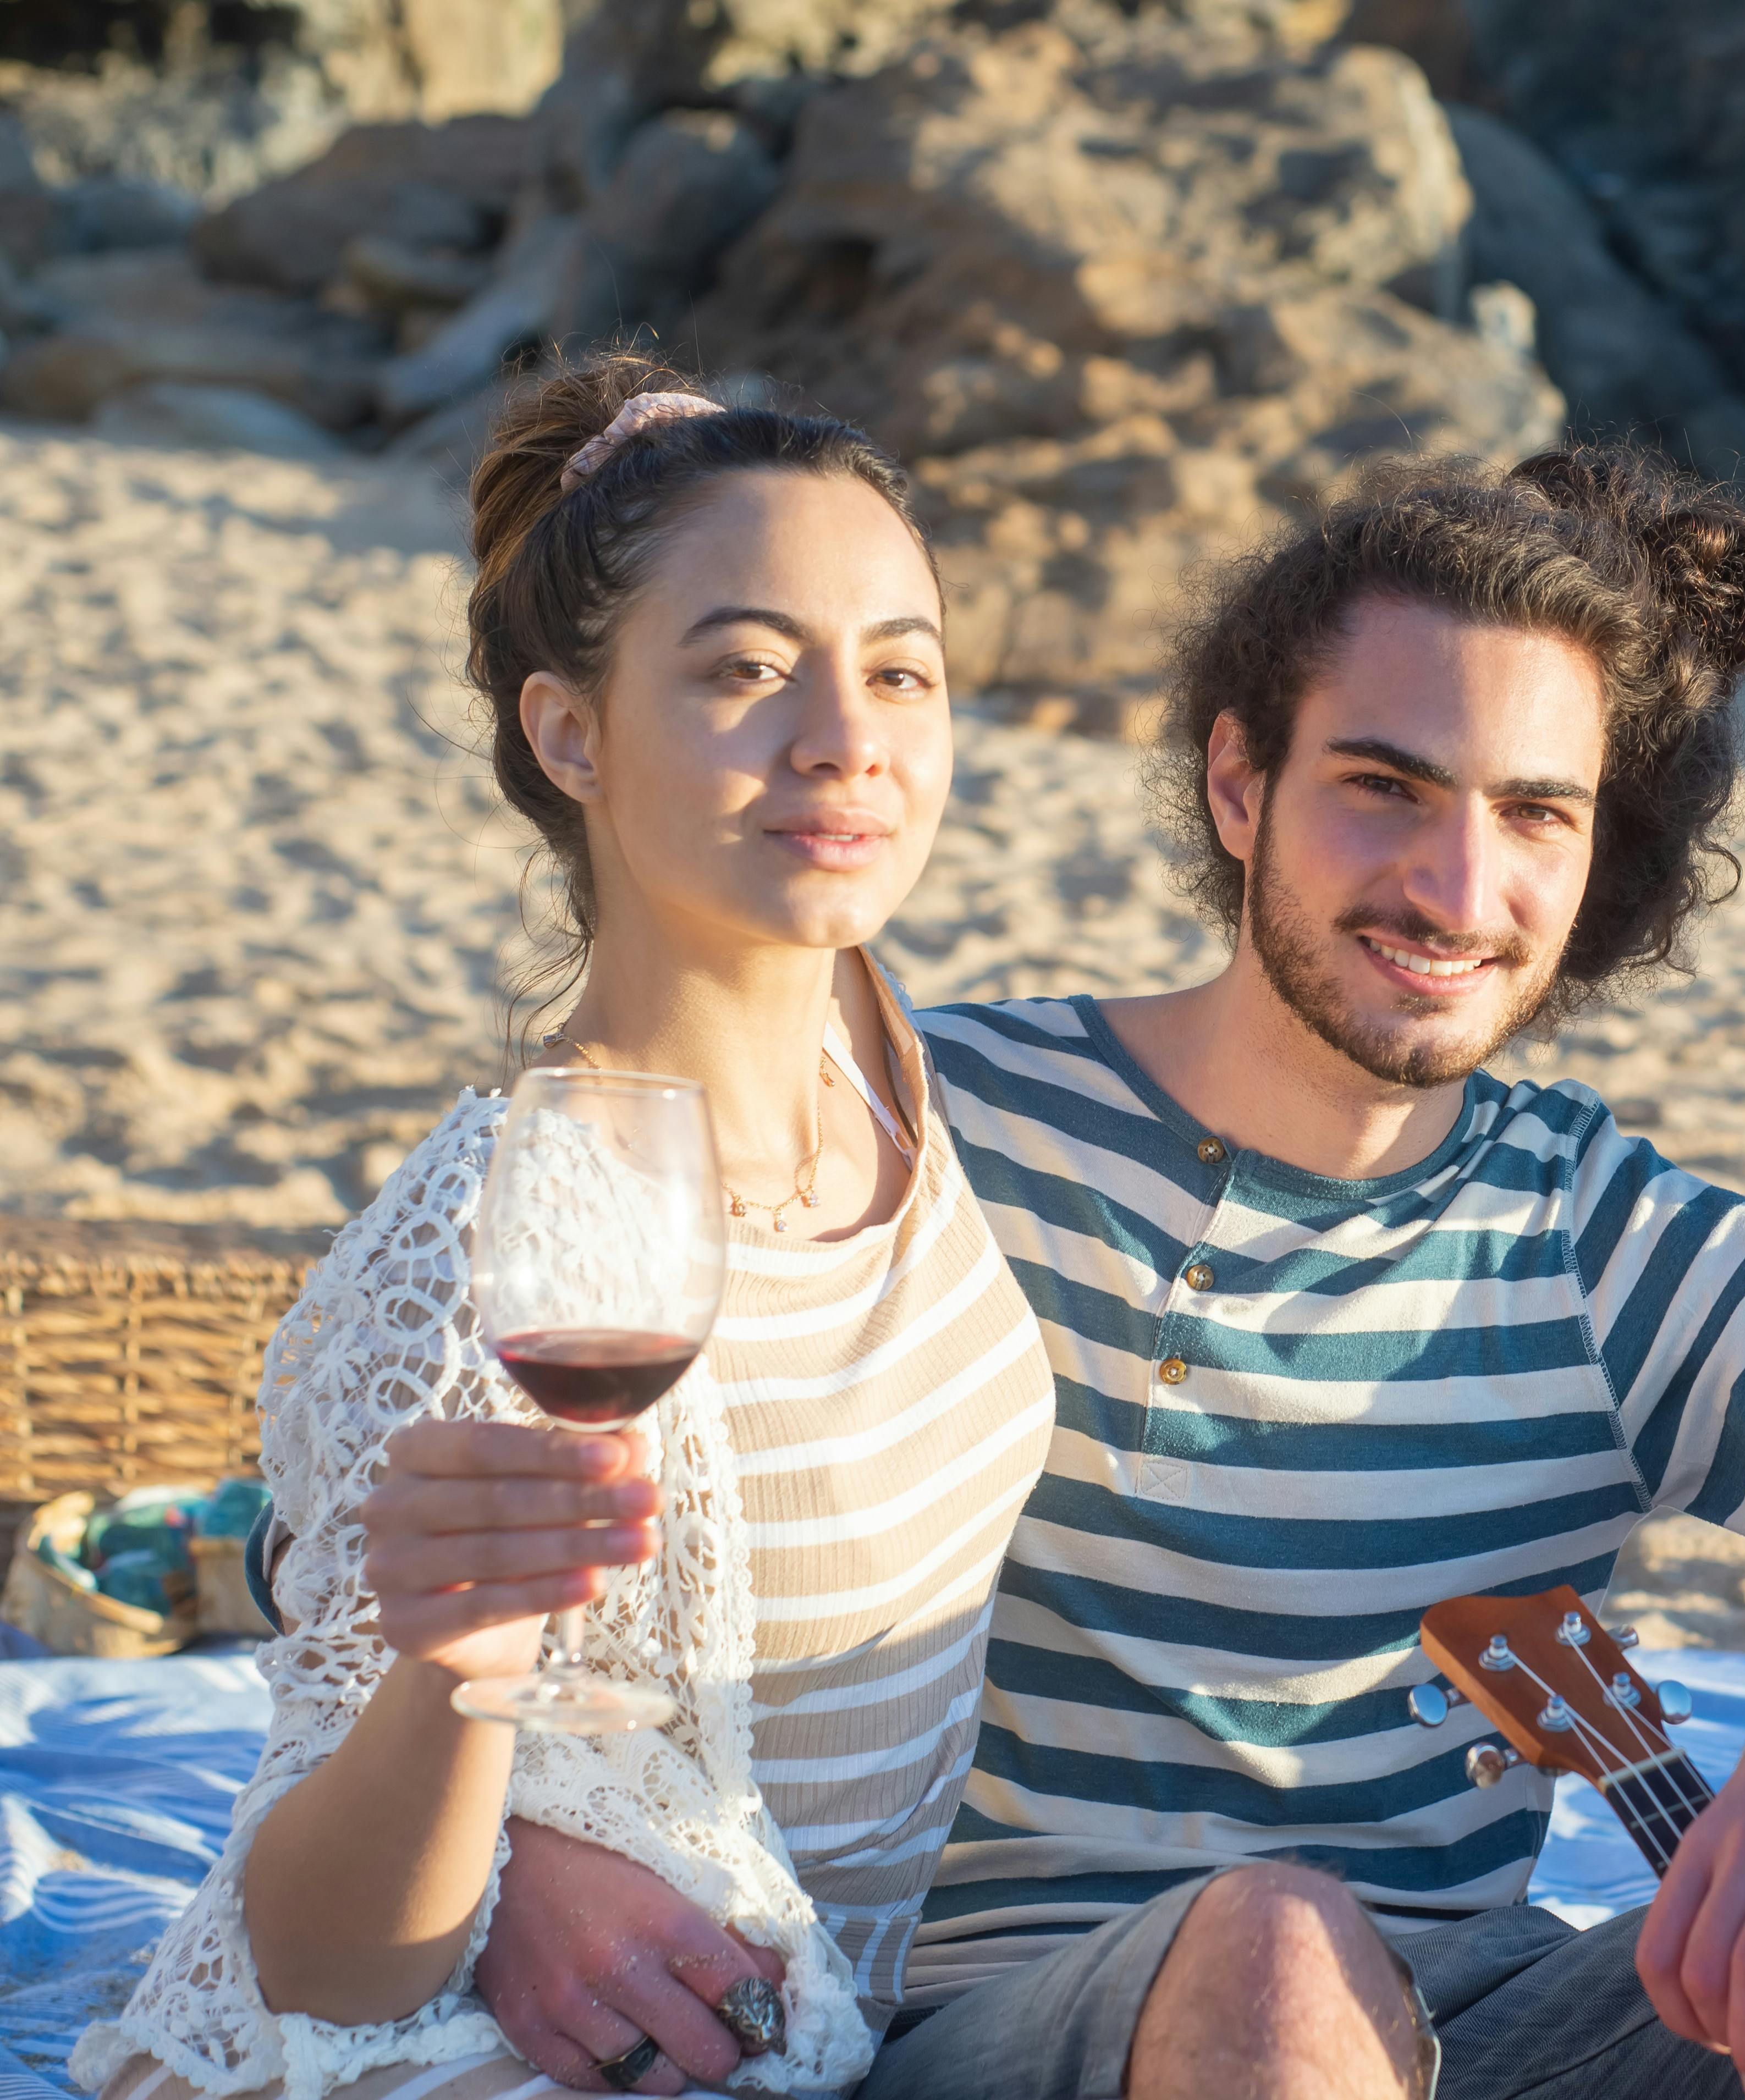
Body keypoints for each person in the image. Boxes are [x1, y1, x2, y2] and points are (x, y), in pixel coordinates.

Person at [468, 447, 1745, 2100]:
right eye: (1387, 787)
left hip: (1481, 2027)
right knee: (1273, 1937)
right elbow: (412, 1508)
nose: (1458, 885)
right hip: (1000, 2026)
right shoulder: (934, 1124)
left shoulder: (1603, 1241)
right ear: (1240, 783)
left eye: (1535, 814)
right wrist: (528, 1845)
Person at [74, 356, 1061, 2100]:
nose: (847, 737)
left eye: (900, 669)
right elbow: (328, 1968)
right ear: (571, 733)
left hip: (818, 2032)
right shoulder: (496, 1246)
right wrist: (460, 1670)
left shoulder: (883, 1042)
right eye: (745, 669)